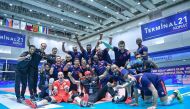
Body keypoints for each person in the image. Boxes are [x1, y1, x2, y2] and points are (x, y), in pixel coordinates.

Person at [117, 72, 183, 109]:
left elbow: (154, 91)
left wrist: (154, 105)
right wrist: (136, 102)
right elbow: (136, 91)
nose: (128, 80)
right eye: (126, 79)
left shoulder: (142, 79)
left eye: (128, 77)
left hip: (157, 82)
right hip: (148, 86)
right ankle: (157, 98)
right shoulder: (132, 82)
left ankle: (175, 93)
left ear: (131, 75)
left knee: (165, 102)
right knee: (147, 102)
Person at [25, 72, 91, 108]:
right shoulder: (55, 82)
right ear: (58, 76)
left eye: (61, 75)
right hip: (58, 96)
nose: (60, 76)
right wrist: (55, 90)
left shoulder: (67, 81)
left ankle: (82, 103)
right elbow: (55, 89)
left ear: (63, 76)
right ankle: (36, 104)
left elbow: (67, 89)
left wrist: (66, 89)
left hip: (66, 95)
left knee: (74, 95)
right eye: (59, 75)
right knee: (48, 98)